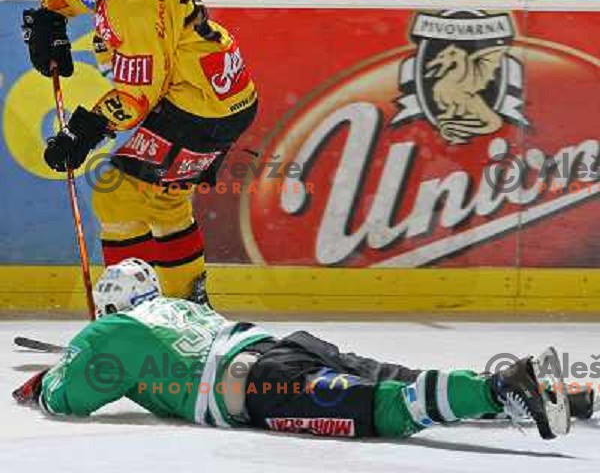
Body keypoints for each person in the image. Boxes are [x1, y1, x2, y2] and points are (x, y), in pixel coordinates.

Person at [13, 258, 585, 440]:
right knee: (403, 377)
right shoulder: (181, 306)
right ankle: (560, 395)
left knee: (385, 410)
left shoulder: (106, 334)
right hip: (287, 346)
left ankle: (506, 384)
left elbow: (71, 399)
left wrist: (52, 377)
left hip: (260, 386)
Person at [21, 0, 258, 300]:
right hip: (197, 95)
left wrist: (81, 133)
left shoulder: (137, 4)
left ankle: (167, 312)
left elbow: (136, 99)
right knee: (142, 200)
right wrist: (49, 19)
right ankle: (171, 308)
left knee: (123, 196)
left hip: (206, 108)